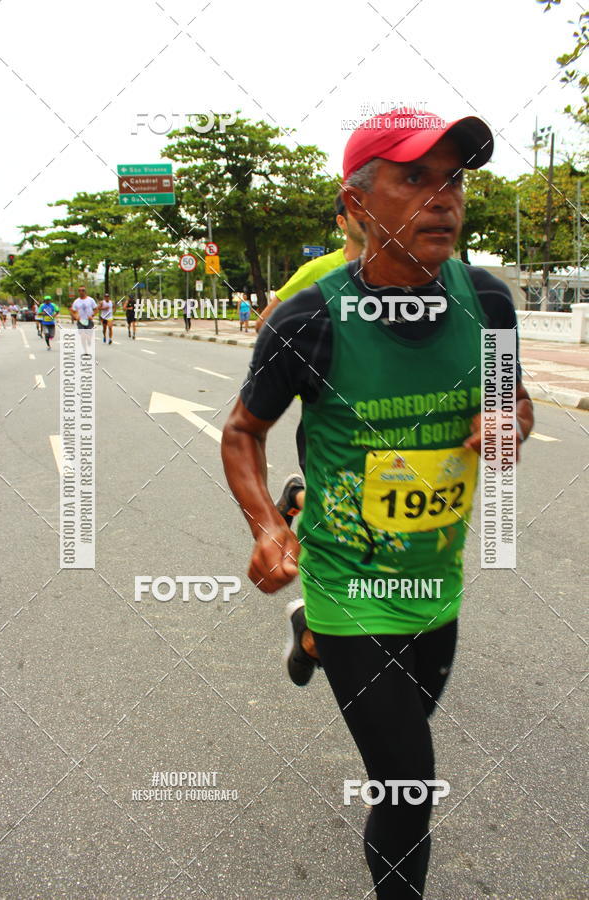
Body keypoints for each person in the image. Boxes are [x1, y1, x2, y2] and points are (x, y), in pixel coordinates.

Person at [221, 109, 534, 899]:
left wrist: (508, 423)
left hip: (434, 582)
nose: (444, 199)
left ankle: (307, 639)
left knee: (410, 740)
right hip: (347, 582)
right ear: (358, 205)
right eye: (415, 178)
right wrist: (266, 526)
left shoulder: (489, 303)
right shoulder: (311, 320)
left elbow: (515, 404)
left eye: (455, 179)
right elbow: (242, 431)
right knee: (408, 784)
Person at [256, 190, 366, 333]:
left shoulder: (398, 272)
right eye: (359, 211)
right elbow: (264, 324)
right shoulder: (316, 270)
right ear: (341, 222)